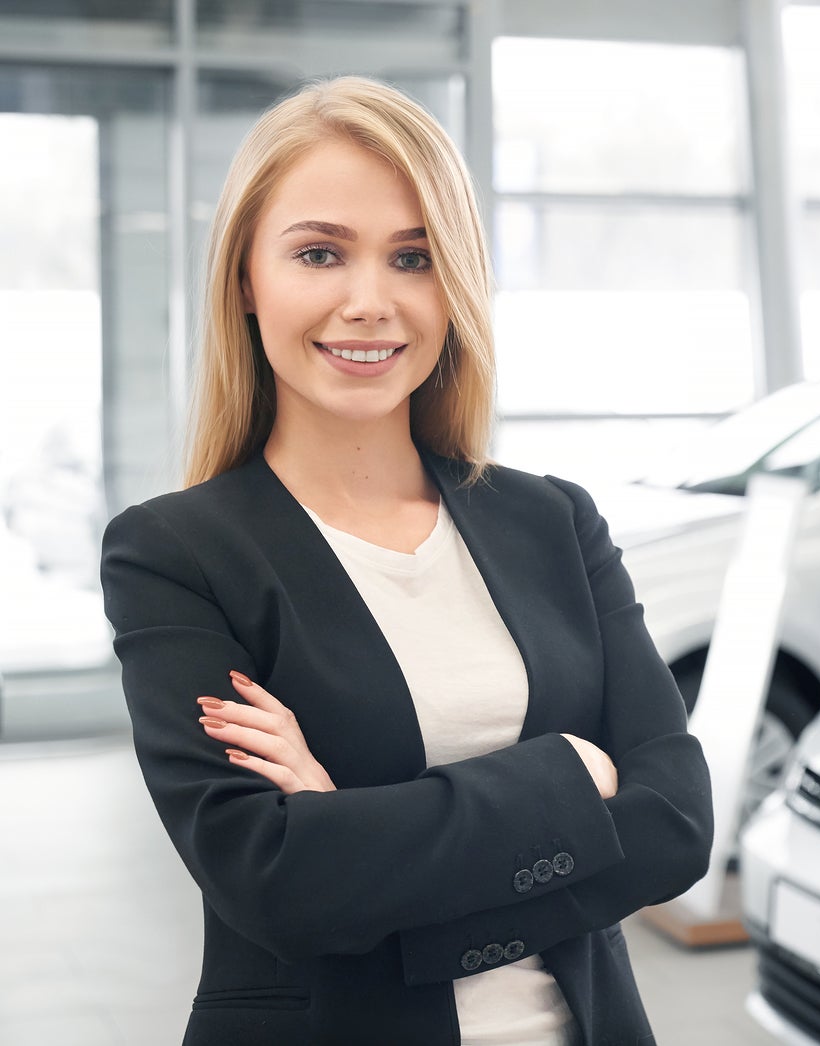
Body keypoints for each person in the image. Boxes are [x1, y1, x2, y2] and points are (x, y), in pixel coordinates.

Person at [99, 76, 713, 1046]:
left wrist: (359, 829)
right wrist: (570, 774)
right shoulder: (177, 551)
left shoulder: (553, 519)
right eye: (319, 253)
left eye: (414, 257)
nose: (370, 302)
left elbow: (675, 825)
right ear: (246, 281)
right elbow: (277, 882)